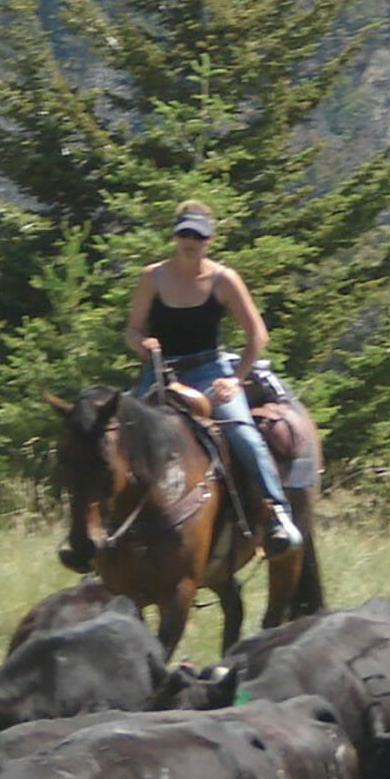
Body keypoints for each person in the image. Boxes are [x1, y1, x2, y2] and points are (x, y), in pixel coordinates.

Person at [116, 201, 302, 558]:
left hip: (210, 371)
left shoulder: (223, 279)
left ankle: (278, 513)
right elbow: (132, 330)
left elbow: (256, 335)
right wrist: (142, 343)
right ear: (174, 235)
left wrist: (236, 379)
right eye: (185, 233)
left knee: (242, 432)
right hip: (160, 371)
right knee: (121, 433)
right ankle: (111, 528)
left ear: (210, 239)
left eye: (198, 236)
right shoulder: (152, 277)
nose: (191, 241)